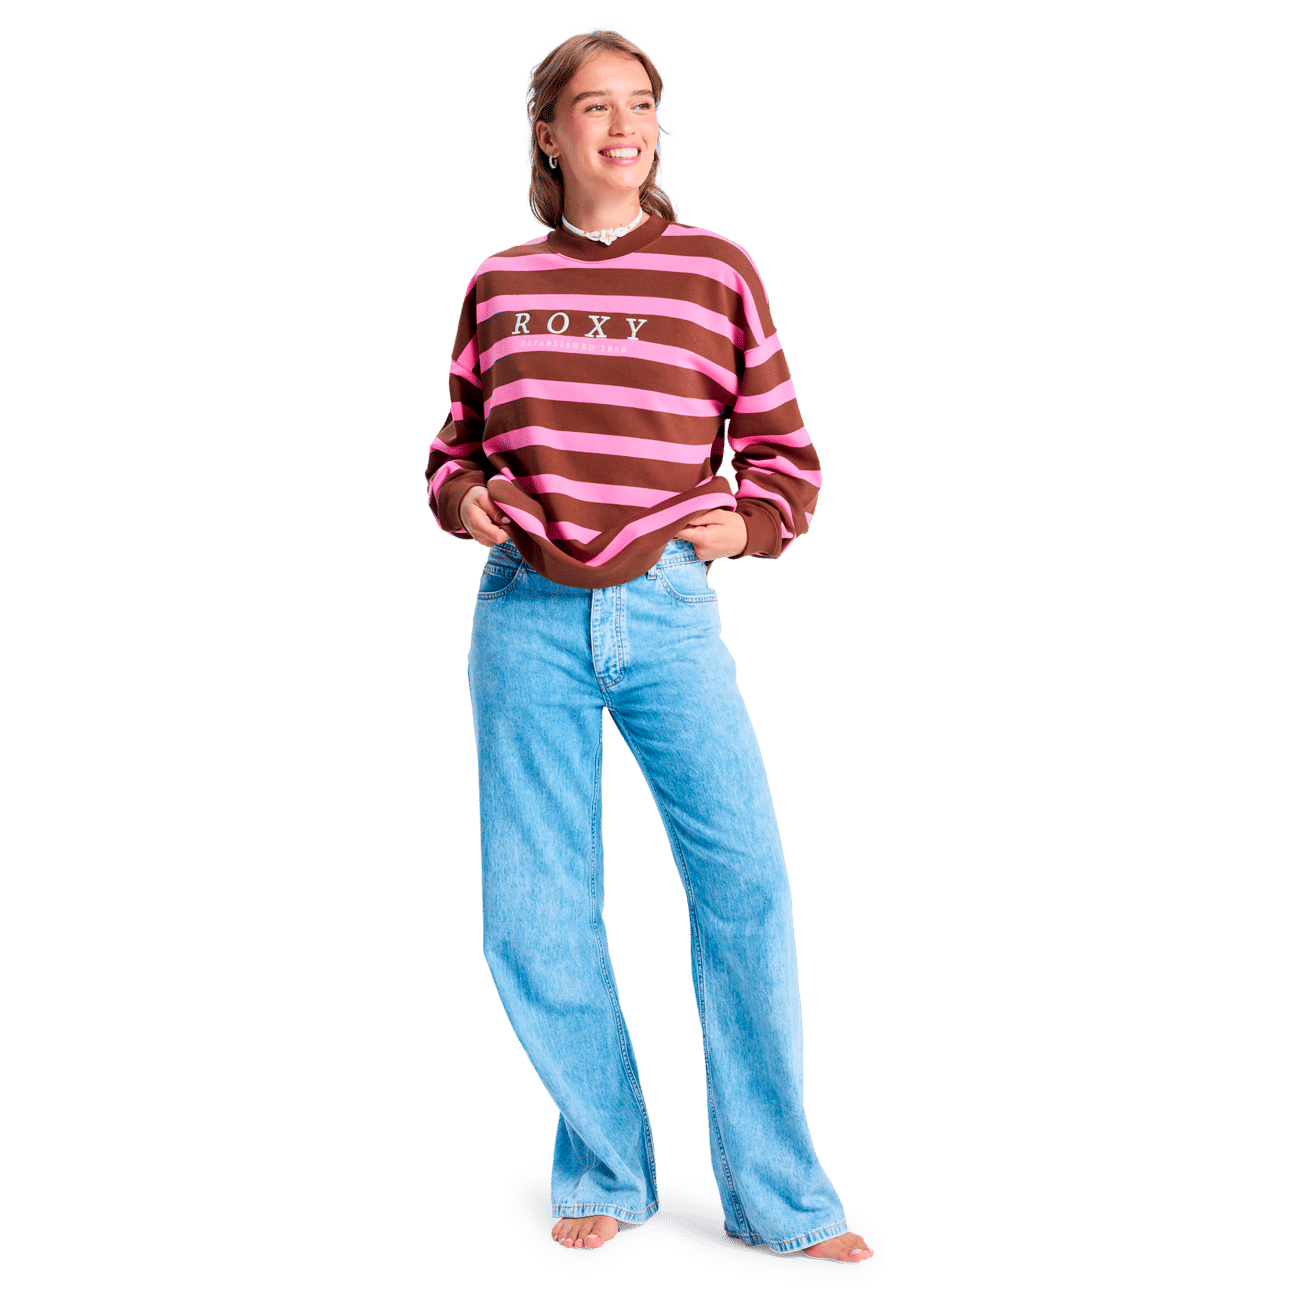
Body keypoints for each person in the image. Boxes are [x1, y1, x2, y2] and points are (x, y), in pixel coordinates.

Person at [425, 30, 872, 1265]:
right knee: (537, 909)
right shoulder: (501, 284)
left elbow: (783, 450)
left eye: (642, 104)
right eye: (594, 106)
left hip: (670, 609)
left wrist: (756, 522)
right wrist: (466, 498)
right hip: (525, 611)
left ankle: (779, 1196)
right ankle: (606, 1169)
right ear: (548, 133)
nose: (623, 126)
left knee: (745, 886)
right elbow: (454, 446)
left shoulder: (716, 272)